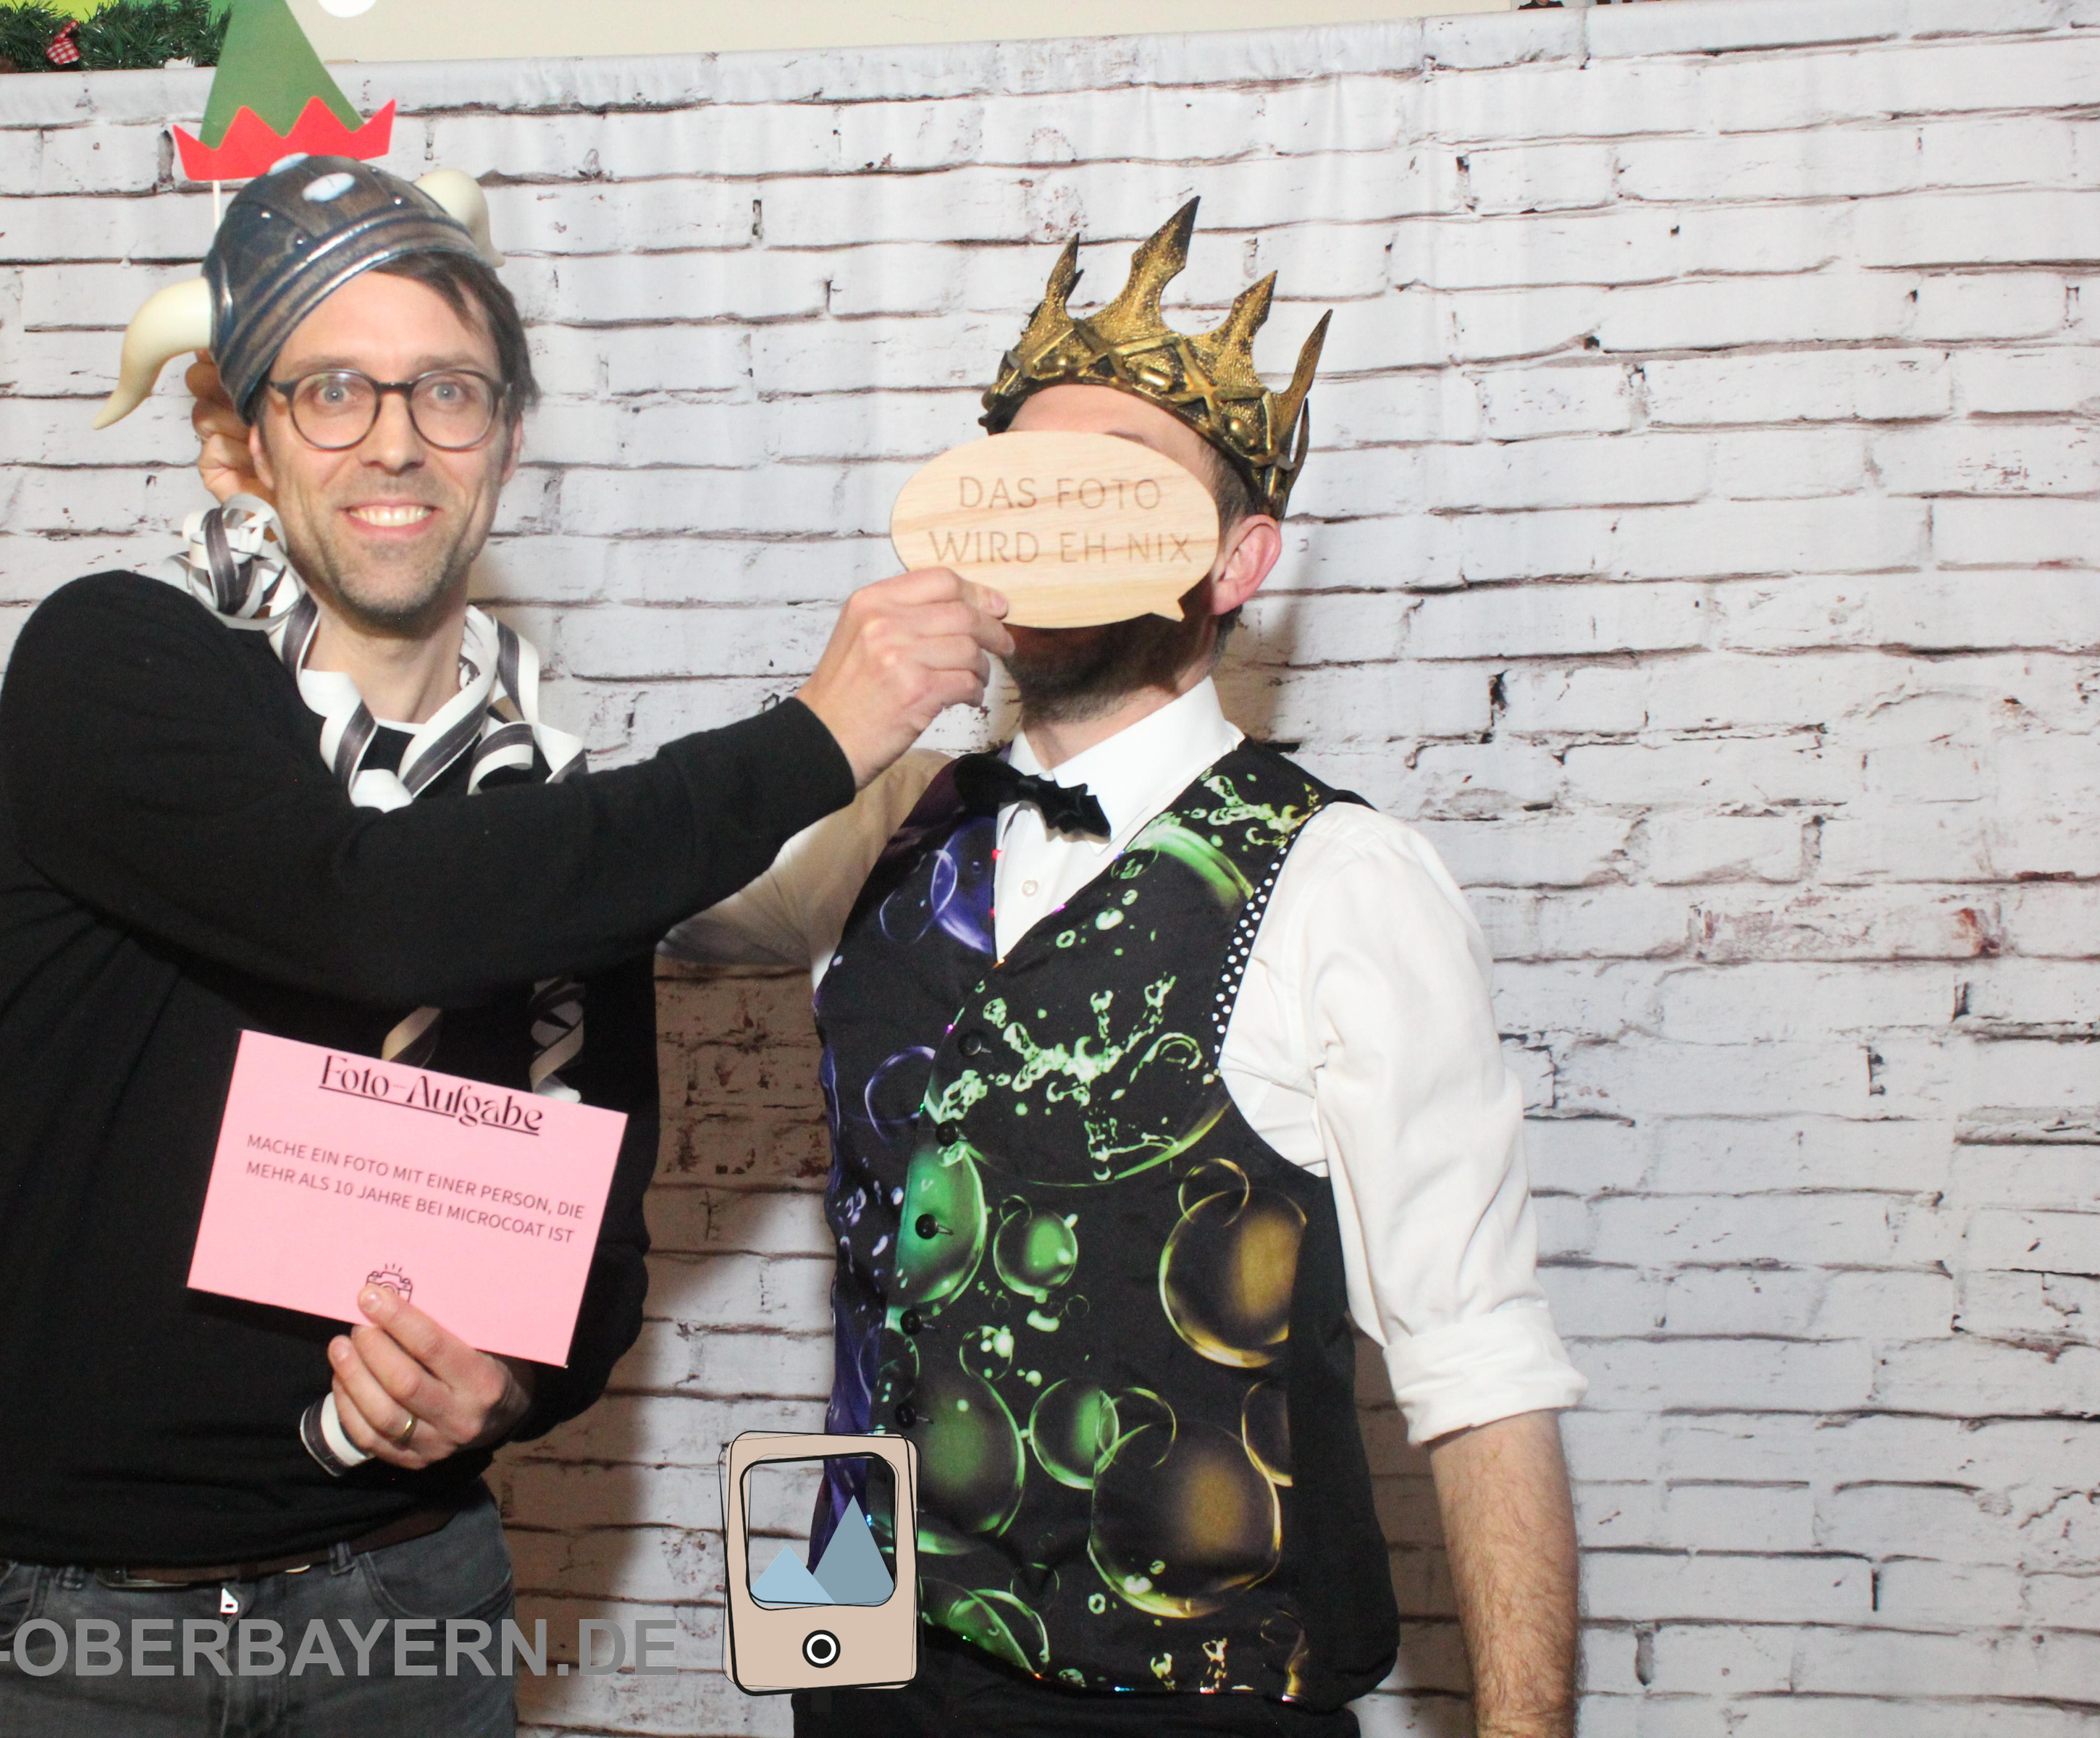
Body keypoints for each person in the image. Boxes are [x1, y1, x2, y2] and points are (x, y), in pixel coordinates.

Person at [0, 155, 1010, 1737]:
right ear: (239, 439)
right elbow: (367, 906)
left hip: (404, 1606)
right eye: (332, 388)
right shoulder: (115, 659)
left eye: (447, 392)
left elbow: (593, 1255)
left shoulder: (547, 832)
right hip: (49, 1627)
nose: (395, 438)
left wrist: (507, 1389)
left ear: (506, 440)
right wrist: (817, 737)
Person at [660, 201, 1589, 1737]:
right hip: (853, 1635)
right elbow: (638, 910)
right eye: (1025, 492)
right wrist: (818, 731)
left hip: (1177, 1699)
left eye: (1117, 493)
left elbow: (1481, 1369)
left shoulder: (1343, 881)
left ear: (1236, 561)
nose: (1055, 530)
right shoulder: (884, 812)